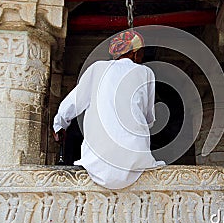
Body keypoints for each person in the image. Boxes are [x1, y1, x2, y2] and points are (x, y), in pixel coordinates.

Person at [53, 30, 166, 189]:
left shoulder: (97, 68)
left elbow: (72, 103)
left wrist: (59, 125)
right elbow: (148, 118)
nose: (142, 56)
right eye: (141, 52)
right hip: (136, 161)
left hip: (97, 162)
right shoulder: (145, 72)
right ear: (134, 53)